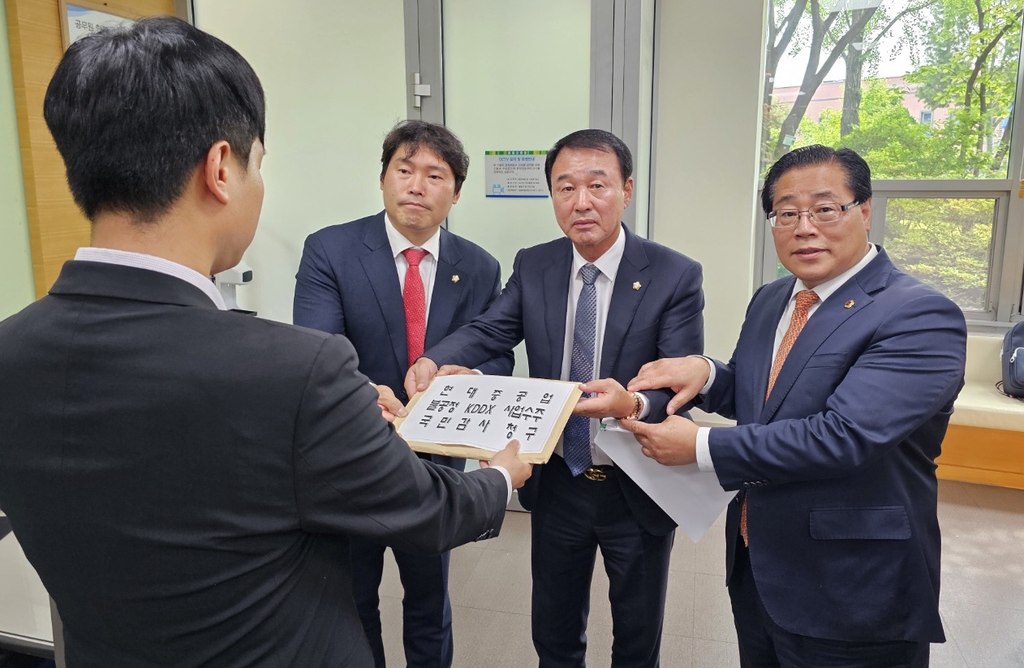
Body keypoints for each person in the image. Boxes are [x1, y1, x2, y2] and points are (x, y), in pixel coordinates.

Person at [0, 16, 532, 668]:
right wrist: (503, 477)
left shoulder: (11, 353)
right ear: (222, 168)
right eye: (258, 163)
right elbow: (424, 511)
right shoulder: (296, 371)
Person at [625, 145, 966, 668]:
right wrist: (707, 373)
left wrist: (701, 445)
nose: (804, 227)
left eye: (825, 209)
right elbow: (763, 395)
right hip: (760, 562)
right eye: (786, 213)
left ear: (865, 210)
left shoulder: (919, 314)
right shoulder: (772, 298)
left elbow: (844, 435)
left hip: (853, 582)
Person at [405, 129, 705, 668]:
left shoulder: (673, 274)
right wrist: (435, 359)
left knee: (637, 636)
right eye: (565, 188)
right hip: (557, 481)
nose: (581, 202)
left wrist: (632, 406)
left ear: (627, 190)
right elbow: (492, 329)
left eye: (597, 185)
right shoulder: (536, 263)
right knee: (554, 628)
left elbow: (674, 386)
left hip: (634, 480)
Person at [293, 120, 512, 668]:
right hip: (351, 454)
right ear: (384, 179)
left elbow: (496, 354)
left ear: (456, 192)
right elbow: (319, 350)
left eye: (435, 175)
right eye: (404, 170)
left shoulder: (481, 266)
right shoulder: (331, 250)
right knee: (351, 594)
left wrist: (470, 382)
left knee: (430, 598)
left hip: (435, 465)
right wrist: (373, 400)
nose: (417, 186)